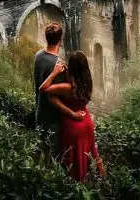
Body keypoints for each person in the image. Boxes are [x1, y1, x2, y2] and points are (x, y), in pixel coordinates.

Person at [40, 51, 104, 182]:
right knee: (89, 154)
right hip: (86, 123)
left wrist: (55, 73)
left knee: (74, 159)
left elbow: (44, 88)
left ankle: (76, 185)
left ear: (71, 68)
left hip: (73, 126)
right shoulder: (87, 83)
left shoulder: (68, 87)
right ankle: (102, 179)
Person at [34, 22, 84, 156]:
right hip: (53, 120)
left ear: (46, 38)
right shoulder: (59, 66)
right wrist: (73, 114)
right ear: (60, 40)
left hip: (39, 114)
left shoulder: (38, 55)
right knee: (54, 156)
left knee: (42, 154)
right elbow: (53, 99)